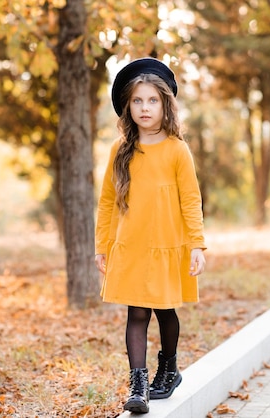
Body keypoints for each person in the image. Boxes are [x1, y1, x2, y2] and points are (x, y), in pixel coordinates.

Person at [95, 57, 206, 414]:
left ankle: (169, 368)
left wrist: (196, 245)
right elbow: (107, 202)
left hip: (165, 245)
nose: (145, 108)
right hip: (130, 246)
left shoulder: (177, 149)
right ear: (128, 106)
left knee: (164, 310)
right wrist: (103, 247)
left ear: (165, 104)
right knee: (136, 313)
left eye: (152, 101)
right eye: (138, 101)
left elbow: (191, 200)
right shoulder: (120, 150)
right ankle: (138, 385)